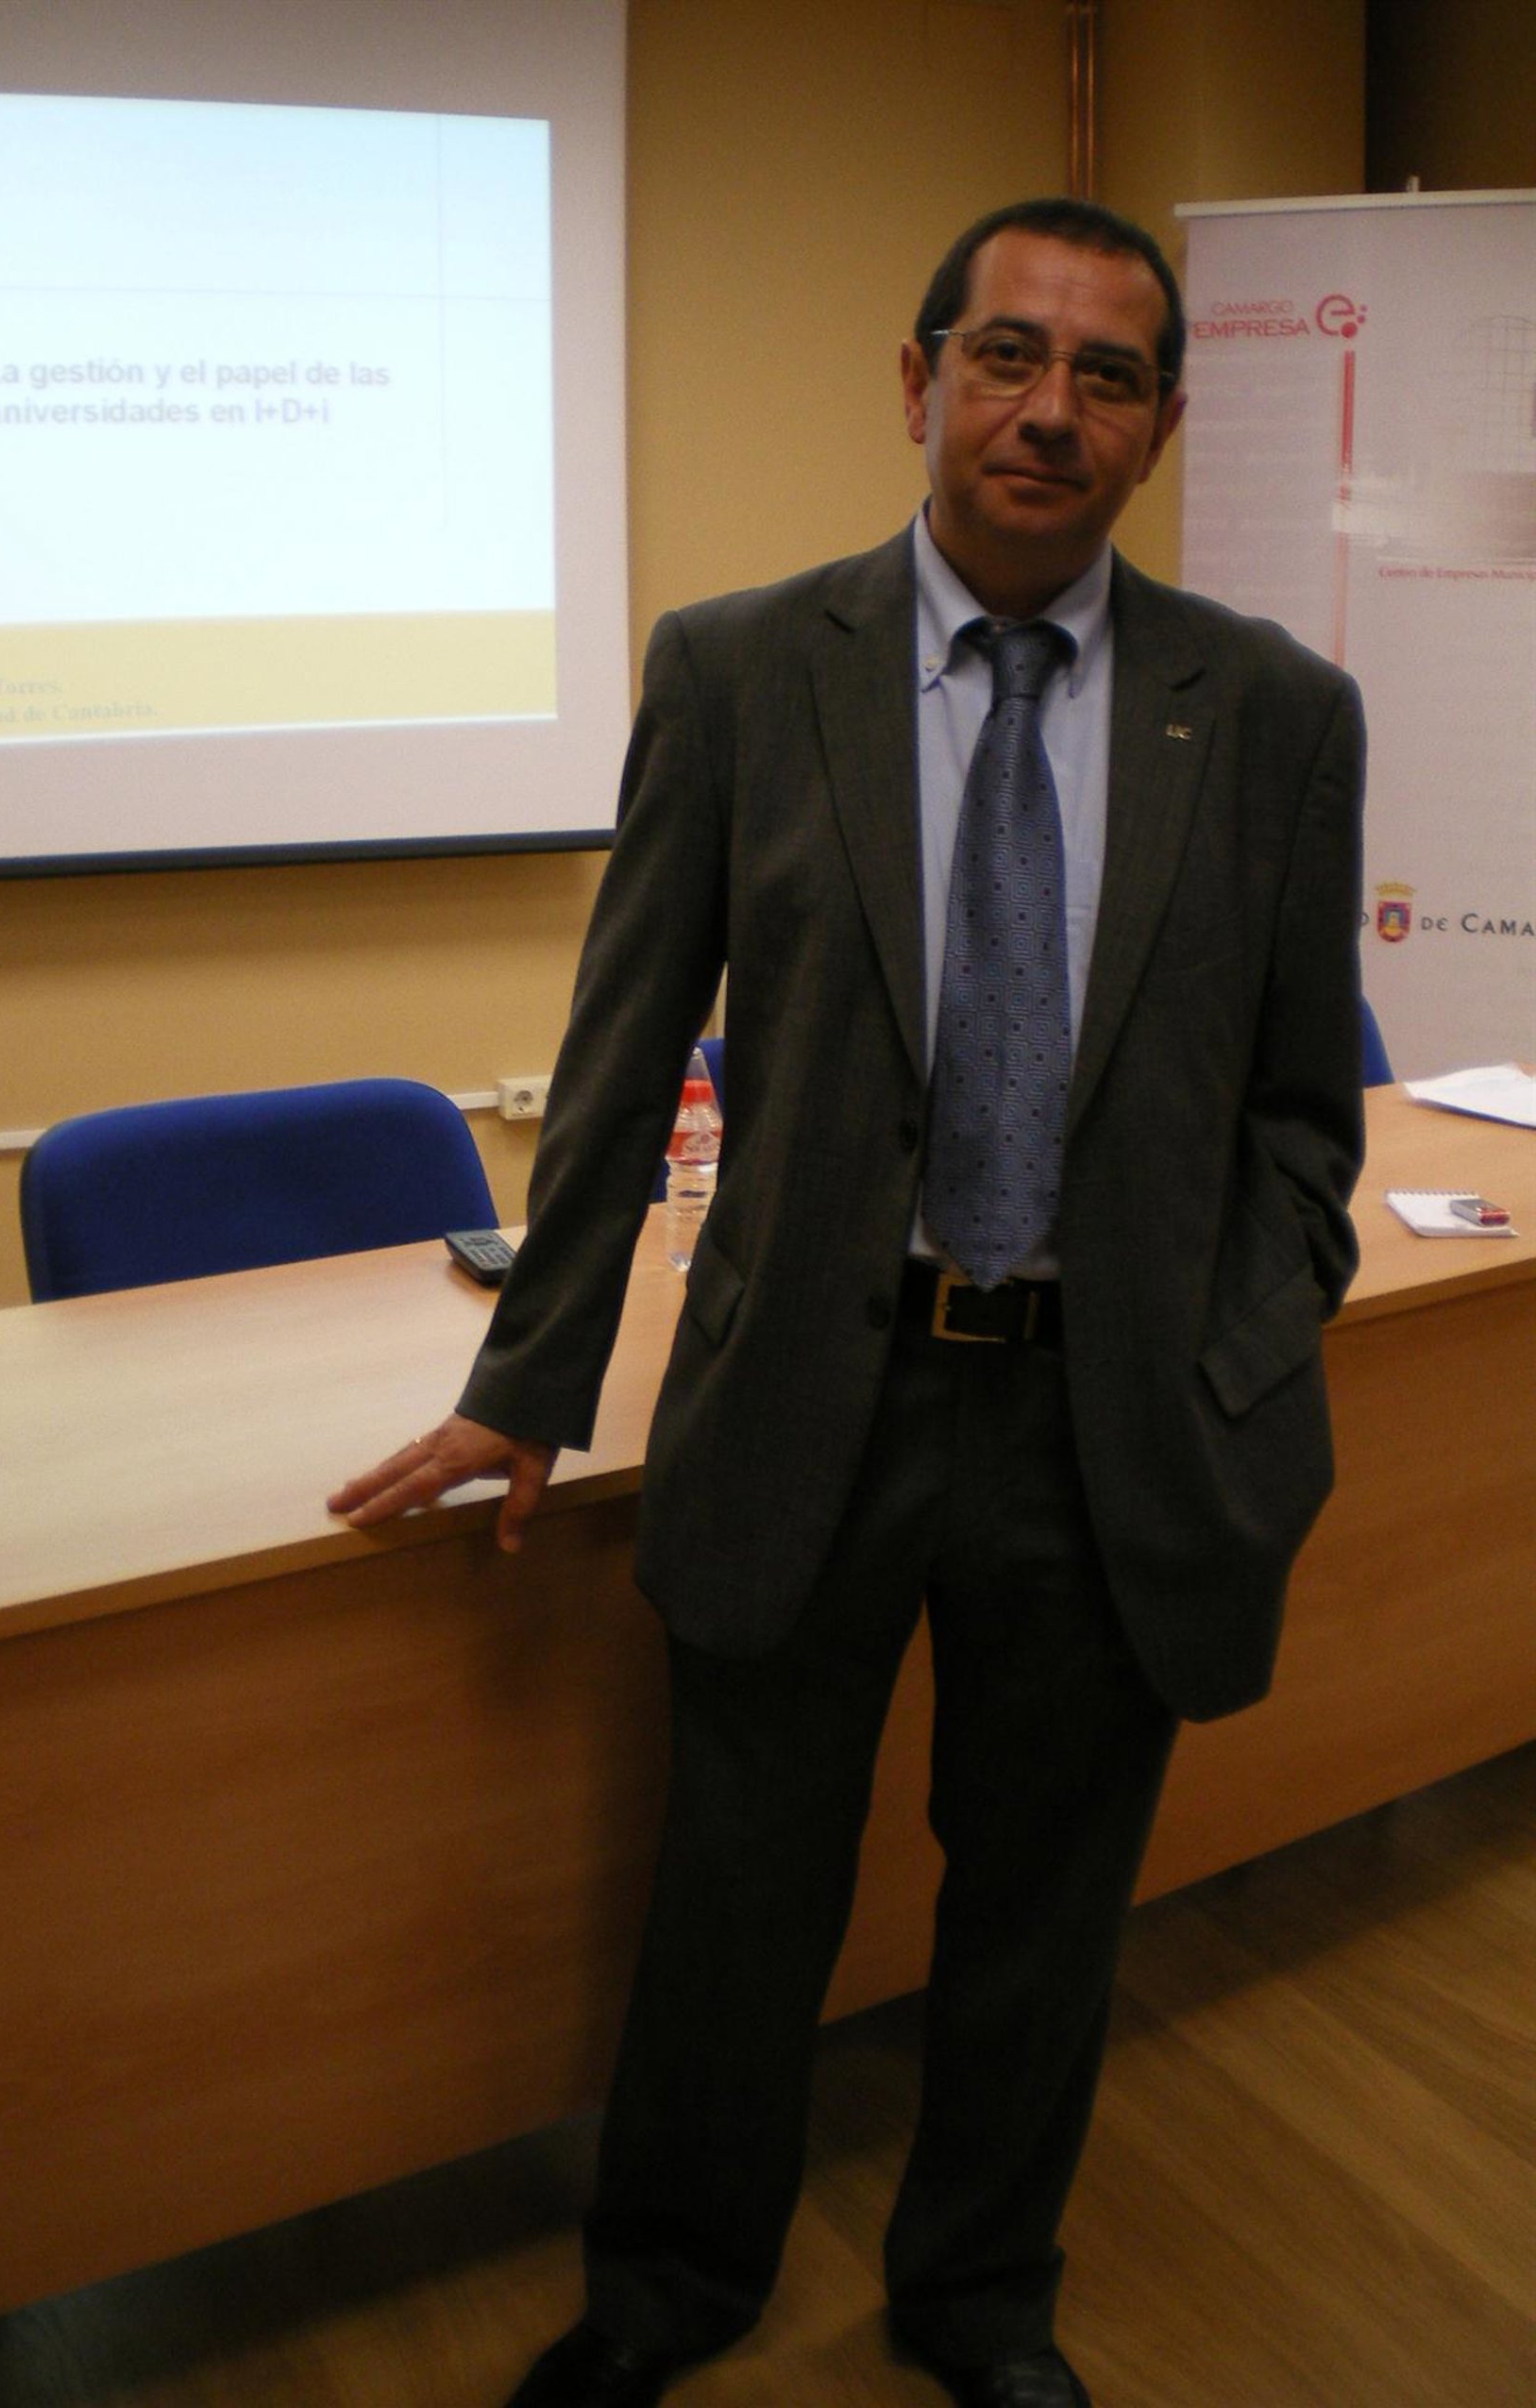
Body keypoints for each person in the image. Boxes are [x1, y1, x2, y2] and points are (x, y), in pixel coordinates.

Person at [329, 196, 1364, 2408]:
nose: (1050, 409)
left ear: (1163, 423)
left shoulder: (1275, 712)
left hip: (1111, 1424)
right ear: (918, 383)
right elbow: (621, 1054)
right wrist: (533, 1375)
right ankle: (669, 2290)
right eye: (1007, 355)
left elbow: (1303, 1111)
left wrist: (1243, 1341)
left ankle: (983, 2296)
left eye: (1106, 375)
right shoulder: (738, 670)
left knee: (1042, 1906)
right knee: (739, 1890)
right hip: (812, 1389)